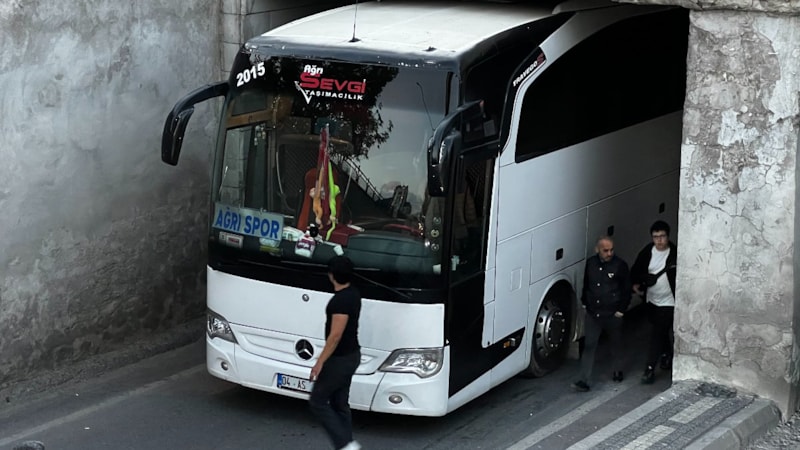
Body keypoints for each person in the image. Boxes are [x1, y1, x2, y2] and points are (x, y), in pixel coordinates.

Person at [309, 256, 362, 450]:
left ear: (331, 275)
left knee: (318, 401)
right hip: (352, 356)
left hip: (339, 360)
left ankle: (345, 444)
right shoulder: (354, 293)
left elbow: (335, 336)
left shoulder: (339, 302)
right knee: (340, 403)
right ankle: (347, 443)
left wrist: (320, 362)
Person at [571, 236, 631, 392]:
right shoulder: (591, 264)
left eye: (611, 250)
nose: (609, 253)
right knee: (589, 345)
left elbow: (626, 289)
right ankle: (583, 379)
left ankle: (617, 370)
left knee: (616, 343)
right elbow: (586, 284)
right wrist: (585, 302)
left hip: (612, 312)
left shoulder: (620, 266)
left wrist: (621, 310)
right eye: (605, 250)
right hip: (594, 313)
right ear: (597, 250)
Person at [631, 220, 677, 385]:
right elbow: (636, 270)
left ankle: (649, 368)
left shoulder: (675, 254)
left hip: (669, 302)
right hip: (651, 300)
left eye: (662, 236)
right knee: (661, 331)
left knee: (657, 333)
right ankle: (666, 355)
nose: (659, 240)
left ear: (668, 236)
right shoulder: (647, 252)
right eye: (656, 237)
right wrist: (635, 285)